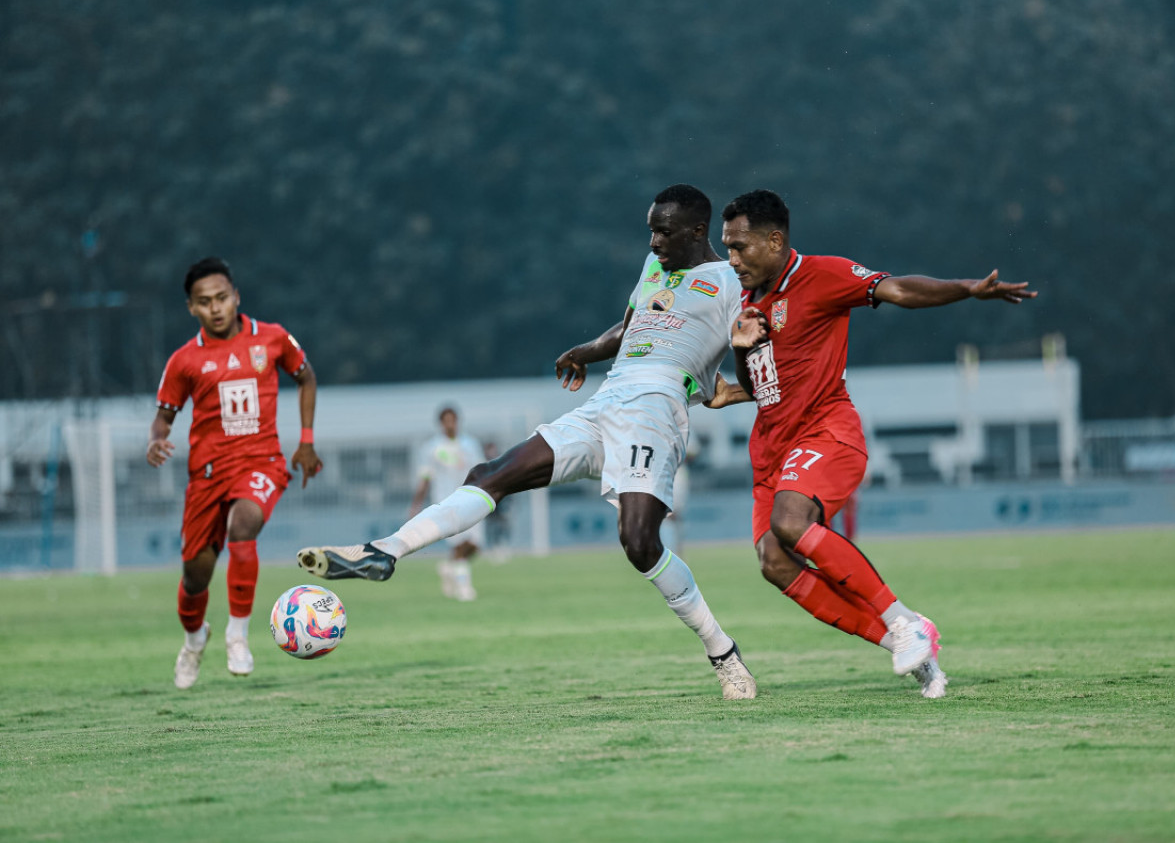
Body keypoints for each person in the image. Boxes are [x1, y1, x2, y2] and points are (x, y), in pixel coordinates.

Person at [297, 184, 757, 700]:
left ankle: (722, 652)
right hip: (605, 404)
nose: (653, 242)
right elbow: (631, 328)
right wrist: (585, 350)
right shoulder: (655, 268)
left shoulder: (731, 282)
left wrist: (737, 392)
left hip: (656, 409)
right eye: (650, 230)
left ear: (698, 231)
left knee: (640, 543)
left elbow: (758, 359)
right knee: (490, 474)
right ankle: (384, 551)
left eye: (664, 232)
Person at [717, 189, 1037, 699]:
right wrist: (742, 351)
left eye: (739, 247)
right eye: (727, 248)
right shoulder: (749, 300)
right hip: (770, 449)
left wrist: (968, 289)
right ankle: (902, 639)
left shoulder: (822, 275)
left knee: (791, 523)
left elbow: (900, 291)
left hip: (826, 432)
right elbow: (761, 386)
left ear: (775, 240)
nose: (732, 259)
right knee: (773, 563)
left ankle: (902, 620)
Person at [147, 257, 323, 689]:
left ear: (236, 296)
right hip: (207, 474)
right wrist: (156, 439)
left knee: (245, 524)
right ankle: (194, 639)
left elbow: (307, 379)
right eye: (205, 302)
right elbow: (164, 417)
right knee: (195, 579)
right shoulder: (185, 360)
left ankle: (237, 636)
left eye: (222, 298)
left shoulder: (274, 338)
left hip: (260, 462)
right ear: (192, 308)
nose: (216, 308)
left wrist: (305, 440)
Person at [409, 405, 486, 601]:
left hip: (472, 498)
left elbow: (482, 471)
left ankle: (448, 567)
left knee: (475, 546)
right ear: (441, 423)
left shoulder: (470, 444)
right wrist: (416, 504)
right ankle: (464, 587)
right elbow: (425, 477)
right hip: (447, 501)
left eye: (453, 420)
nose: (450, 424)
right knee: (459, 544)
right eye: (446, 421)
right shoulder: (432, 448)